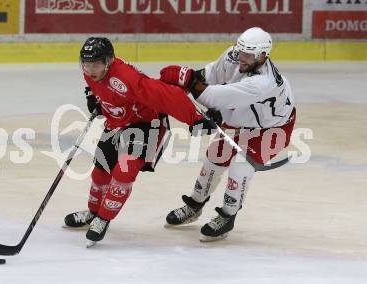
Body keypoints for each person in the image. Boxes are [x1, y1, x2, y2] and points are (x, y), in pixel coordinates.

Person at [159, 27, 296, 242]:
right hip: (243, 117)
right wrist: (184, 82)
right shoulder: (234, 55)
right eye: (241, 52)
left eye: (248, 56)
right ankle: (194, 205)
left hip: (272, 128)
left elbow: (211, 96)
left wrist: (187, 80)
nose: (241, 58)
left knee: (241, 166)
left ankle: (228, 216)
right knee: (214, 158)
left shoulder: (263, 83)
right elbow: (209, 76)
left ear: (263, 55)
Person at [64, 37, 202, 247]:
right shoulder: (90, 71)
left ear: (109, 62)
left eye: (96, 65)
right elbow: (97, 86)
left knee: (124, 171)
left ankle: (104, 218)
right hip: (117, 122)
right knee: (100, 171)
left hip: (146, 125)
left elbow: (166, 95)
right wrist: (94, 97)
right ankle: (93, 213)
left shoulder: (126, 78)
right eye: (87, 64)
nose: (90, 70)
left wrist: (195, 118)